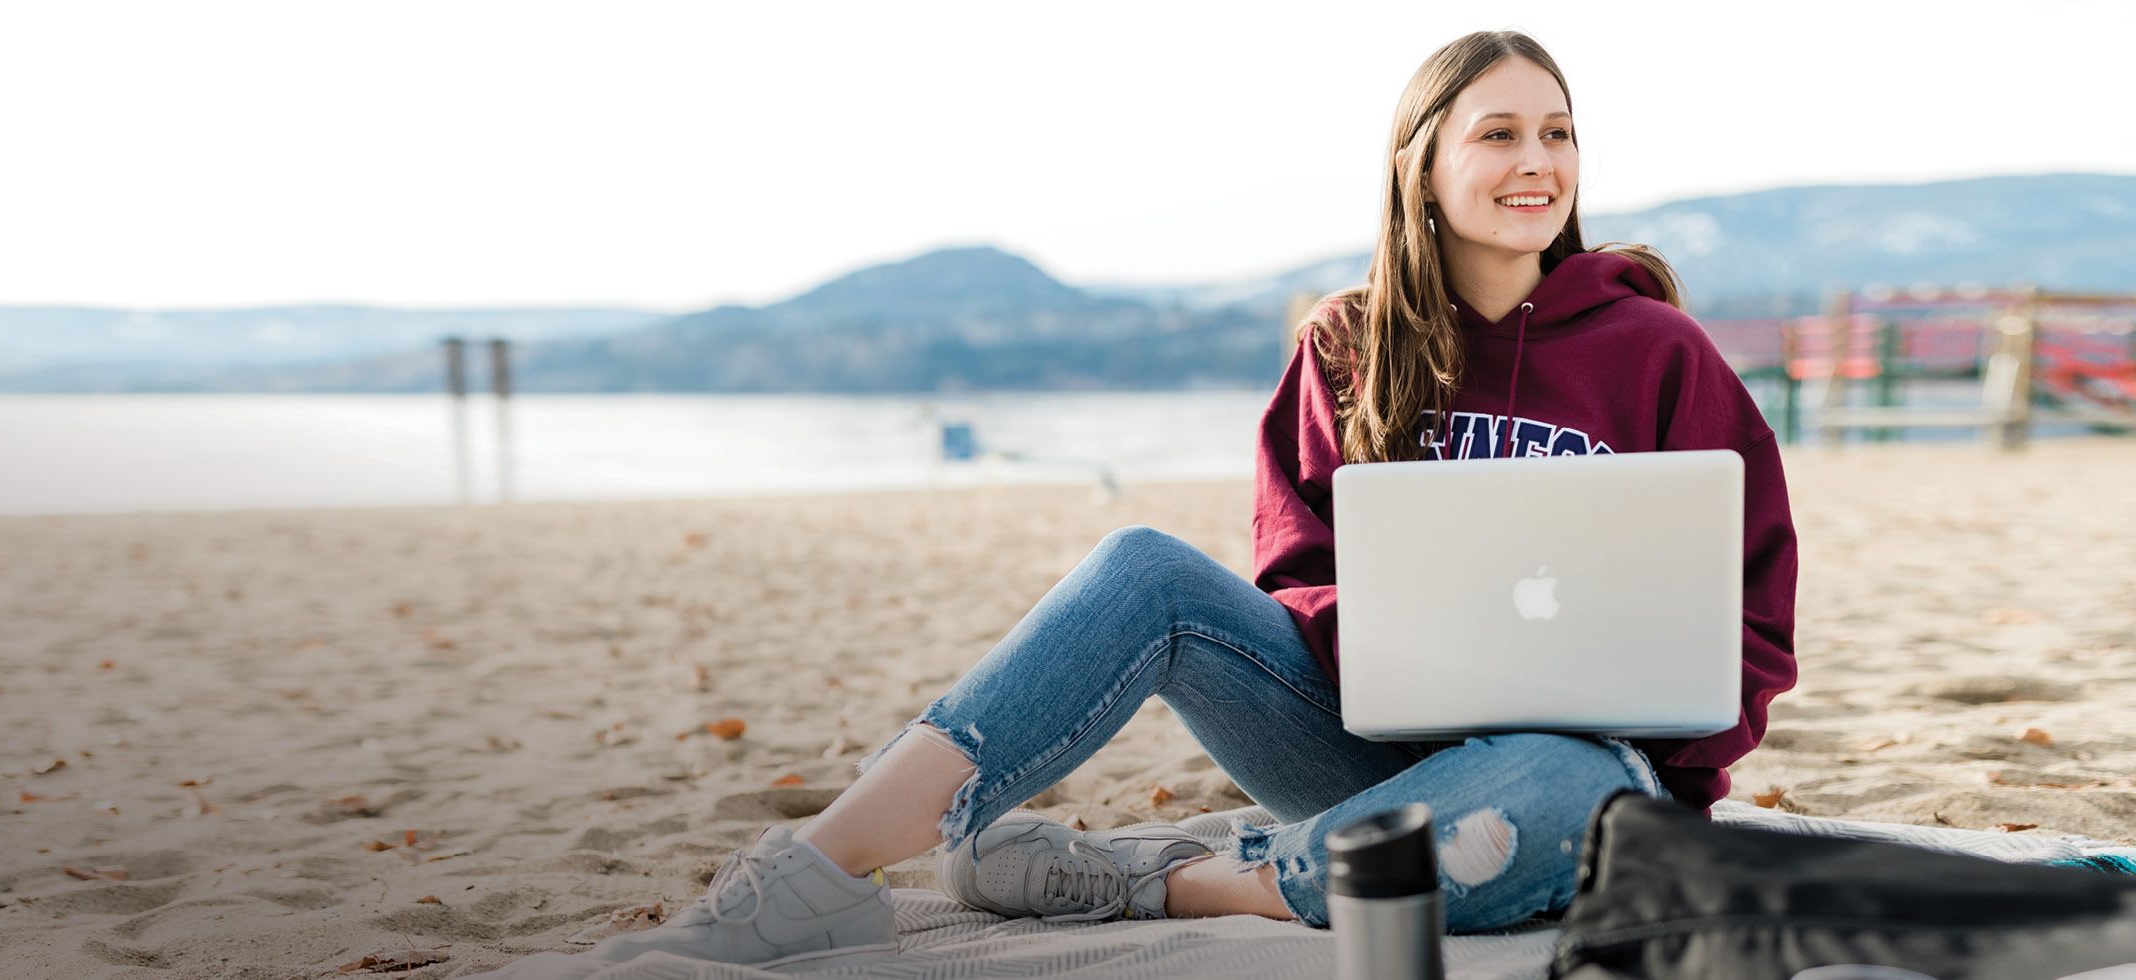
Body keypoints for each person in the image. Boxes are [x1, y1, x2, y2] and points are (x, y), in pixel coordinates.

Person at [589, 29, 1799, 968]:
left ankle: (1158, 879)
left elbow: (1750, 607)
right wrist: (1408, 648)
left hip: (1587, 770)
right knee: (1143, 566)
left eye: (1557, 133)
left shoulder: (1657, 351)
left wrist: (1660, 738)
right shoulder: (1345, 344)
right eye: (1497, 135)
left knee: (1551, 782)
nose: (1535, 163)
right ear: (1421, 161)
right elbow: (1293, 574)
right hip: (1363, 747)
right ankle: (813, 874)